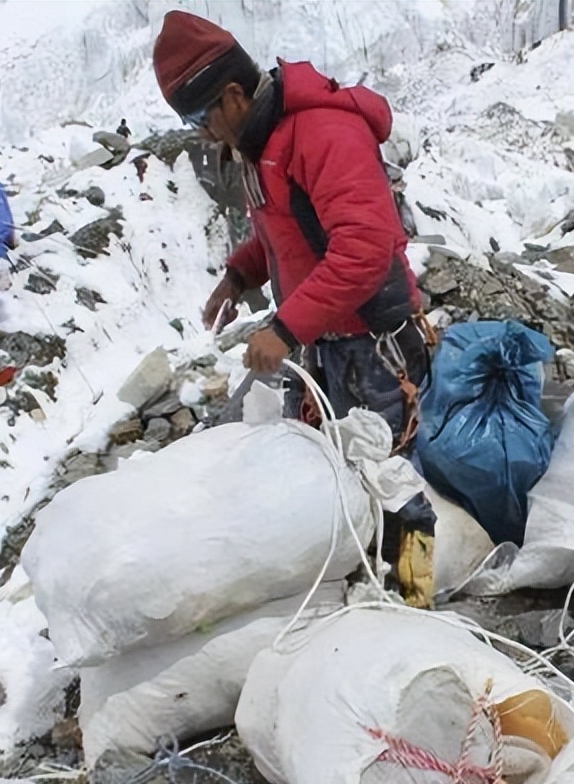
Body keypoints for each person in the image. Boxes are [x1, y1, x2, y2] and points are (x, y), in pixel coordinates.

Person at [153, 11, 437, 607]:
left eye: (201, 118)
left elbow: (363, 248)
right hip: (330, 336)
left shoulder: (320, 134)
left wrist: (285, 327)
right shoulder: (265, 145)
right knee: (325, 464)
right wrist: (240, 273)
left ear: (233, 95)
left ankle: (414, 602)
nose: (203, 134)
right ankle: (353, 586)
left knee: (387, 475)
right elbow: (286, 231)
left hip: (373, 339)